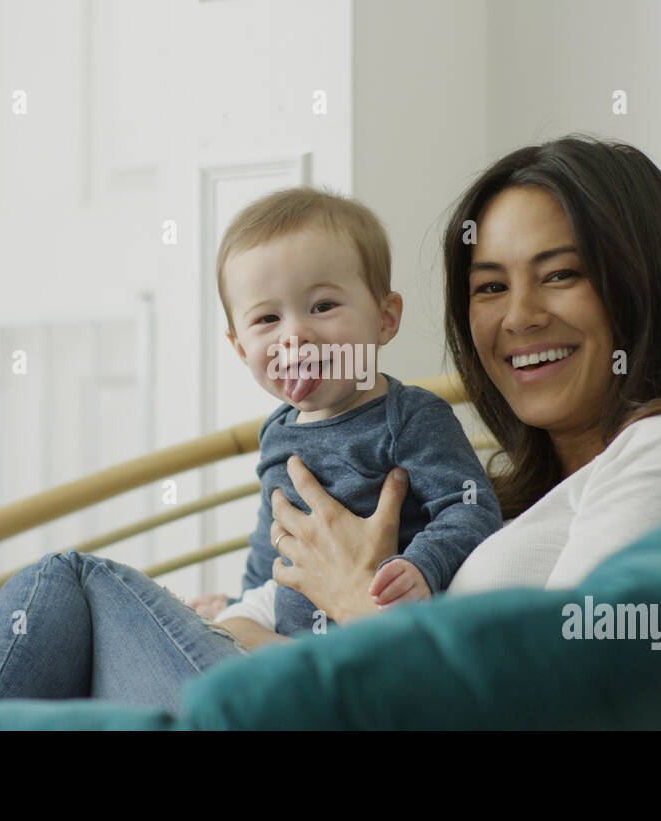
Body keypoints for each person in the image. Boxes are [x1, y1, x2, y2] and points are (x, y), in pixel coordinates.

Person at [0, 135, 661, 727]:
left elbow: (574, 693)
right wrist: (240, 616)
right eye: (488, 285)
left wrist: (363, 602)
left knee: (67, 580)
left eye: (560, 274)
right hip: (292, 673)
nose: (518, 316)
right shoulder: (525, 489)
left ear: (638, 280)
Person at [209, 187, 502, 641]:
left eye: (323, 307)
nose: (295, 337)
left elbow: (471, 508)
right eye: (267, 320)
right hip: (285, 636)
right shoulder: (276, 432)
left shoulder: (410, 418)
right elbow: (272, 542)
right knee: (202, 621)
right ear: (240, 347)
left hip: (374, 638)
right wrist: (239, 602)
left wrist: (422, 564)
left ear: (385, 318)